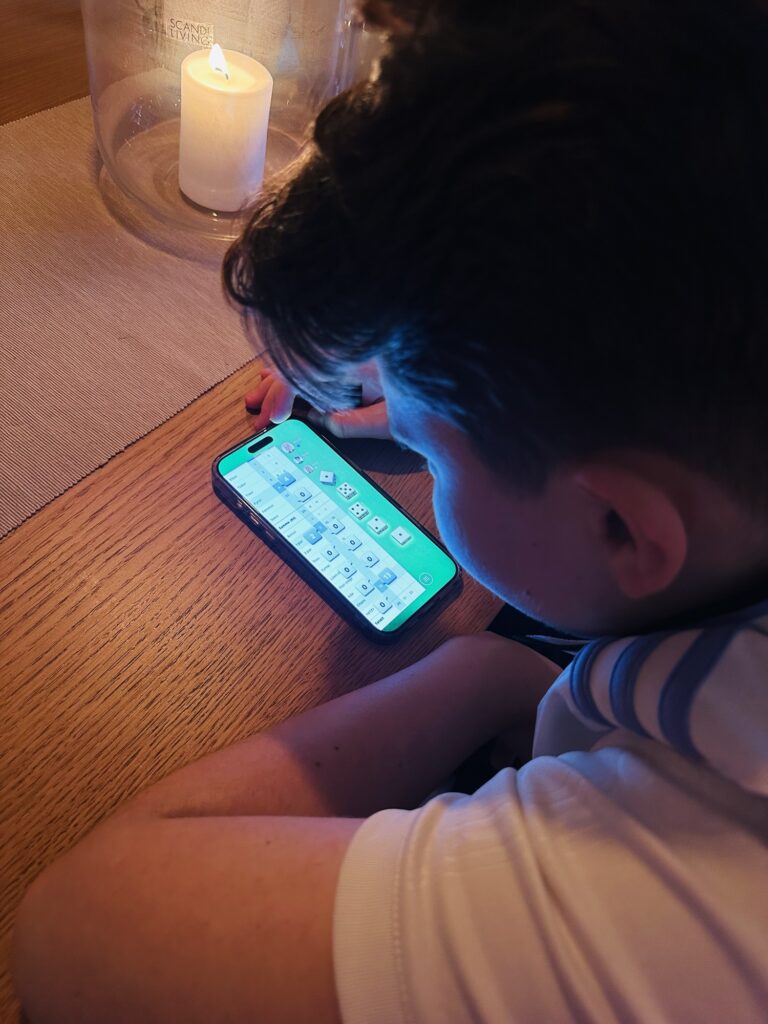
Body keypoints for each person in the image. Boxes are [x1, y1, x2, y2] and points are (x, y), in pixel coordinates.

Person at [12, 0, 768, 1021]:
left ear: (624, 528)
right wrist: (477, 400)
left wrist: (482, 671)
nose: (406, 443)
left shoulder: (690, 884)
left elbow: (80, 934)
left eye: (425, 450)